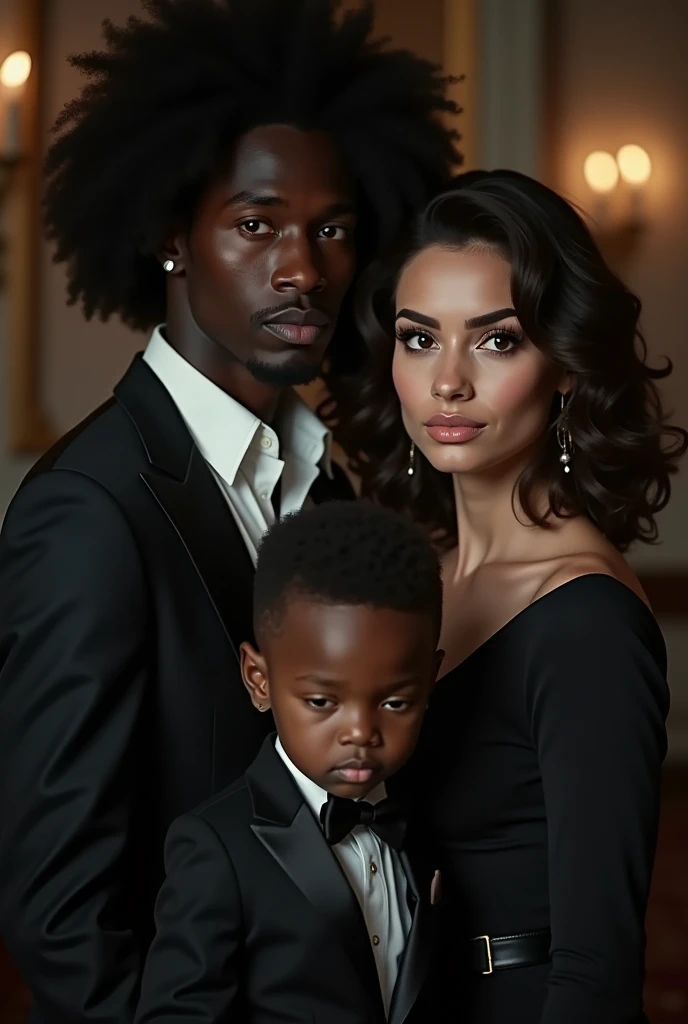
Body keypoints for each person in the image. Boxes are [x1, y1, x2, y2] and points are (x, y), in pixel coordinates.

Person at [0, 2, 459, 1021]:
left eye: (331, 228)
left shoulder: (322, 481)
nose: (303, 268)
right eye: (256, 224)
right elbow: (61, 911)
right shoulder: (88, 509)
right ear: (172, 236)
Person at [333, 170, 687, 1023]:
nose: (448, 381)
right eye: (421, 340)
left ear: (564, 363)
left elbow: (599, 973)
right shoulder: (415, 573)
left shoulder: (585, 622)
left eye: (495, 341)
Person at [134, 500, 443, 1024]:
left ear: (430, 680)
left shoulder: (433, 822)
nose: (361, 733)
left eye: (394, 702)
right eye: (323, 702)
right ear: (259, 679)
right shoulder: (216, 850)